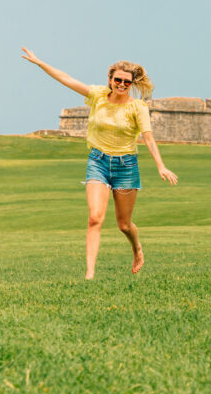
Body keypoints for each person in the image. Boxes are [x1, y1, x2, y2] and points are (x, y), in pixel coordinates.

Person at [21, 47, 178, 279]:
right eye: (118, 79)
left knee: (124, 225)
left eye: (127, 81)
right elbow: (66, 79)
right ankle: (90, 274)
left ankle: (137, 248)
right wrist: (40, 63)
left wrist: (161, 166)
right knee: (95, 217)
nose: (122, 84)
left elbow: (148, 137)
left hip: (126, 167)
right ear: (110, 79)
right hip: (98, 162)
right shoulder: (97, 95)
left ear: (132, 83)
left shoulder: (138, 107)